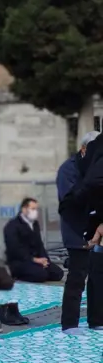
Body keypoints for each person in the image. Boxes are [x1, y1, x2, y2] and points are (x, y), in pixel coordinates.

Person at [58, 131, 102, 333]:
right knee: (77, 278)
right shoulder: (68, 170)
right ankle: (69, 323)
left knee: (96, 277)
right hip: (77, 230)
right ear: (84, 149)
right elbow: (72, 203)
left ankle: (96, 319)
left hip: (95, 230)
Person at [4, 197, 65, 283]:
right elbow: (14, 249)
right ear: (24, 209)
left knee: (58, 273)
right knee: (41, 274)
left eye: (36, 209)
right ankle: (18, 276)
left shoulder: (35, 224)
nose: (35, 211)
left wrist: (45, 260)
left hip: (37, 260)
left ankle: (38, 270)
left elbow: (39, 244)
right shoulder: (13, 226)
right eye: (32, 209)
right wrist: (34, 260)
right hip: (20, 261)